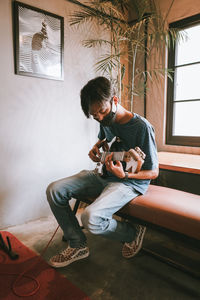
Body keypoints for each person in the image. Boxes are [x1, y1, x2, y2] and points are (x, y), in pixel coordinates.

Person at [46, 76, 159, 268]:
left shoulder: (142, 127)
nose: (99, 117)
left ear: (114, 101)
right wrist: (96, 149)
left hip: (128, 183)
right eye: (94, 115)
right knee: (54, 190)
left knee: (90, 218)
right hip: (102, 175)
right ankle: (78, 244)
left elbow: (153, 172)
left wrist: (125, 175)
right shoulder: (104, 120)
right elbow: (106, 142)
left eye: (102, 111)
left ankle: (131, 233)